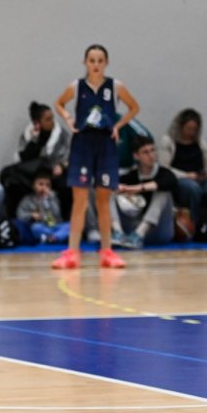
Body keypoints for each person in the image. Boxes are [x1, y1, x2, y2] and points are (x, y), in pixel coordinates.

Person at [51, 44, 141, 270]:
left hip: (106, 145)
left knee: (103, 200)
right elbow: (59, 103)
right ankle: (72, 251)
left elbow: (134, 107)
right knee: (80, 200)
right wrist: (68, 119)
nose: (96, 65)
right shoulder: (76, 86)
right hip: (82, 144)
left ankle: (107, 251)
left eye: (100, 61)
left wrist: (118, 126)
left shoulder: (115, 86)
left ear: (106, 63)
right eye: (92, 60)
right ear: (85, 63)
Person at [159, 108, 207, 227]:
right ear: (180, 127)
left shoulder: (201, 143)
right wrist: (186, 175)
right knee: (192, 188)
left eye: (194, 129)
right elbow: (164, 168)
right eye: (188, 129)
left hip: (200, 178)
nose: (191, 132)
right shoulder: (168, 141)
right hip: (180, 179)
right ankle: (193, 224)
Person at [116, 138, 179, 248]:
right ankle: (117, 232)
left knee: (162, 191)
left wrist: (138, 188)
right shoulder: (130, 176)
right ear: (136, 156)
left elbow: (170, 182)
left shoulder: (165, 173)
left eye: (153, 150)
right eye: (145, 152)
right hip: (133, 226)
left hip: (160, 231)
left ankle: (139, 234)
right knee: (109, 191)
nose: (151, 155)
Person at [16, 168, 69, 244]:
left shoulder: (53, 197)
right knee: (35, 228)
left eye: (47, 185)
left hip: (56, 225)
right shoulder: (27, 200)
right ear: (33, 186)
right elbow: (20, 215)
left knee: (70, 226)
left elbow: (57, 213)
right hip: (42, 226)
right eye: (40, 184)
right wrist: (31, 215)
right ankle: (57, 237)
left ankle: (51, 238)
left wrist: (47, 199)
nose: (44, 187)